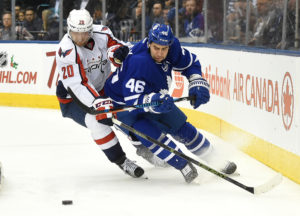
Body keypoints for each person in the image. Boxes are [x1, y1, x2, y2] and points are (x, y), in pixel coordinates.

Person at [104, 24, 237, 183]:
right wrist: (151, 101)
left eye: (164, 49)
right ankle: (182, 165)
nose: (160, 53)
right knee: (150, 134)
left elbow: (191, 63)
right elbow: (133, 99)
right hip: (123, 104)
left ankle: (215, 159)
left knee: (181, 126)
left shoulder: (172, 48)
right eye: (156, 48)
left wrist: (196, 80)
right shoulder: (138, 61)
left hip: (154, 93)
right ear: (149, 44)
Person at [55, 9, 145, 178]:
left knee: (125, 112)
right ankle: (121, 160)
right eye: (76, 33)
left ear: (90, 29)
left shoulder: (101, 32)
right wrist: (98, 103)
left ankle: (142, 146)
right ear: (69, 30)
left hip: (102, 87)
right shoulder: (65, 50)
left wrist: (117, 53)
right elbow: (78, 85)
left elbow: (115, 46)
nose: (80, 38)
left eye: (85, 33)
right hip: (73, 98)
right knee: (96, 120)